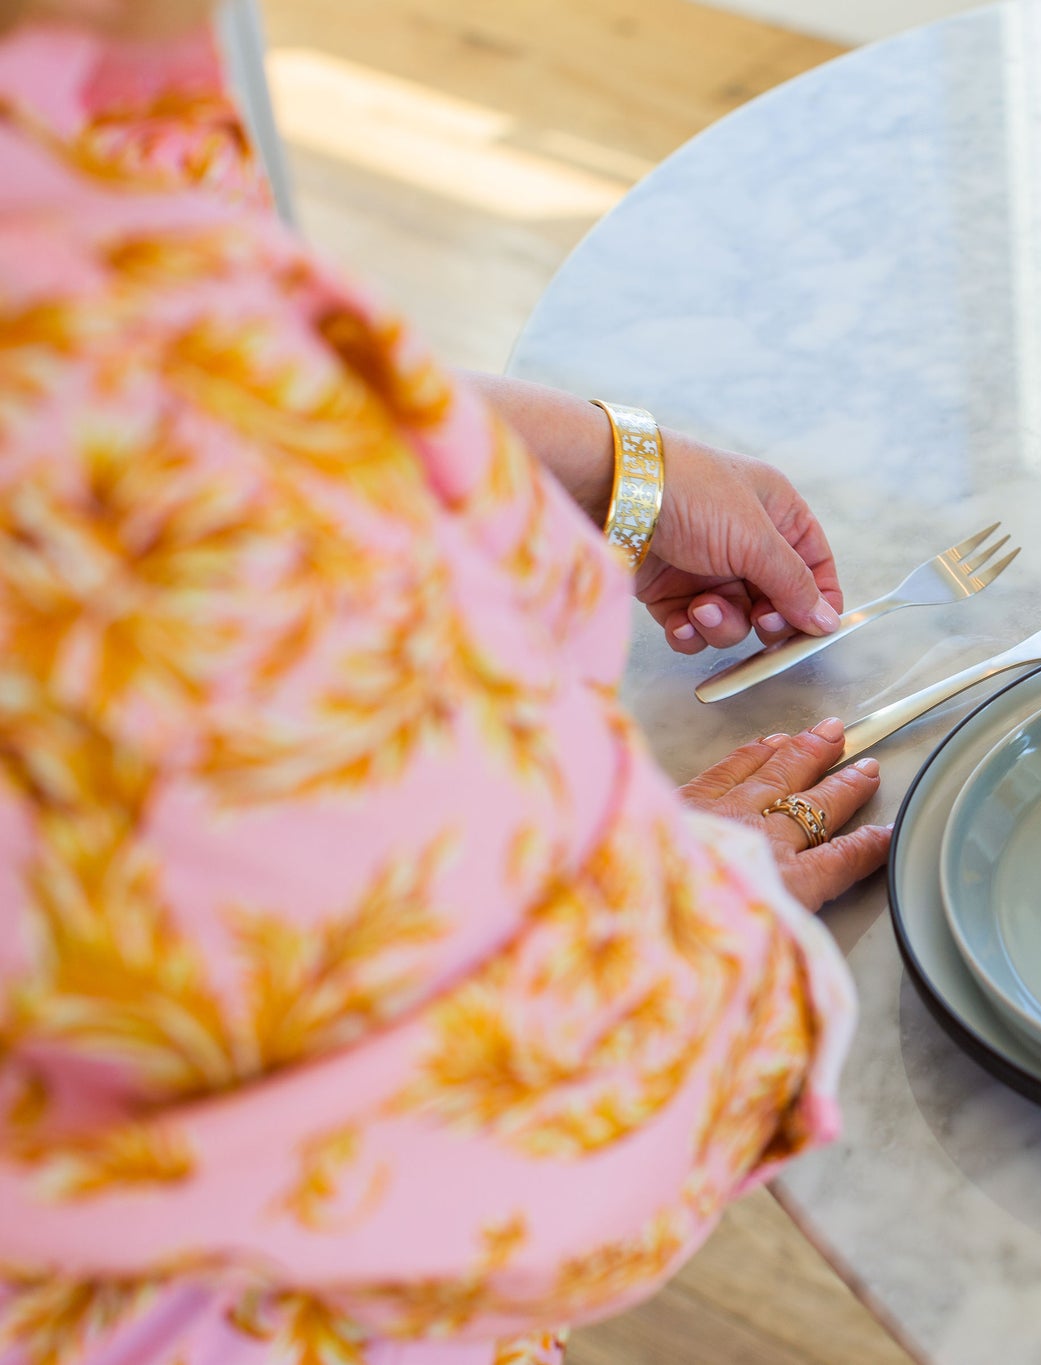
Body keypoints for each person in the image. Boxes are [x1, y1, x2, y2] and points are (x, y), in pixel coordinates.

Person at [0, 3, 890, 1362]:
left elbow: (286, 392)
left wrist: (615, 461)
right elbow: (567, 1118)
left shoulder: (89, 157)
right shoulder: (117, 447)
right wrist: (686, 903)